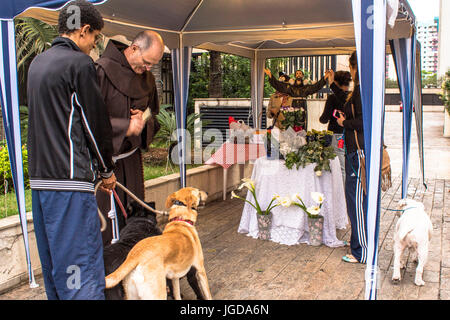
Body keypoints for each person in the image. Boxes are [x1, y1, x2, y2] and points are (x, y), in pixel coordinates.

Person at [27, 0, 117, 299]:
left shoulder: (38, 63)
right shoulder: (79, 64)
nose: (94, 46)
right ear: (84, 30)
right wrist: (106, 170)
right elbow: (94, 124)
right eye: (95, 38)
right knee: (81, 270)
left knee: (57, 269)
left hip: (40, 185)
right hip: (69, 185)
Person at [95, 30, 164, 245]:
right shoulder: (101, 71)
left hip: (132, 161)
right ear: (134, 48)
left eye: (152, 64)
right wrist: (125, 126)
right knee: (108, 224)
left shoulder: (148, 78)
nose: (148, 68)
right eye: (146, 62)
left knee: (134, 221)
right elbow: (89, 120)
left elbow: (154, 115)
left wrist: (143, 124)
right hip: (105, 163)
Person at [326, 51, 367, 264]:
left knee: (356, 202)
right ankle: (359, 245)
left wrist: (344, 124)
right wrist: (333, 84)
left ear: (354, 67)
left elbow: (363, 122)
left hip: (358, 152)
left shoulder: (361, 92)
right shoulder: (361, 90)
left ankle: (360, 251)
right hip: (357, 150)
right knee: (357, 201)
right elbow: (344, 100)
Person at [264, 68, 329, 130]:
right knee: (292, 124)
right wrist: (270, 75)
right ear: (295, 75)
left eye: (300, 73)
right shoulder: (290, 87)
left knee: (302, 124)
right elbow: (278, 85)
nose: (298, 74)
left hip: (303, 106)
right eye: (297, 73)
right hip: (292, 106)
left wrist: (324, 78)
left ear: (302, 75)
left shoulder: (306, 87)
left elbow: (316, 87)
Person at [319, 70, 352, 180]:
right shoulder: (351, 97)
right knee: (347, 166)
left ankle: (340, 193)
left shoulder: (332, 98)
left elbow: (324, 119)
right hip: (350, 135)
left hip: (335, 135)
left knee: (338, 167)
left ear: (336, 83)